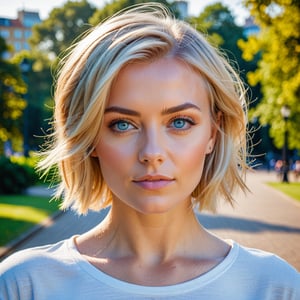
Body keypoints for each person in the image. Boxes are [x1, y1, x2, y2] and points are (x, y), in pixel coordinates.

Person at [0, 4, 299, 299]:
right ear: (89, 135)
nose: (152, 153)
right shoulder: (24, 286)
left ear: (213, 132)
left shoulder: (275, 287)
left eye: (179, 122)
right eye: (122, 125)